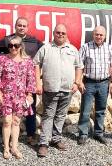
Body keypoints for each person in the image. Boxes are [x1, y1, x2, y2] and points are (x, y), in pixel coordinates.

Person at [34, 24, 83, 157]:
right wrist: (38, 82)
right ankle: (43, 143)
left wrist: (77, 82)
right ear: (54, 33)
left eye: (63, 33)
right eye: (58, 32)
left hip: (67, 89)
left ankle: (56, 139)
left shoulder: (72, 49)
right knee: (48, 115)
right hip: (50, 89)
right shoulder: (46, 48)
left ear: (66, 35)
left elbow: (79, 67)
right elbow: (36, 64)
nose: (60, 35)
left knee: (61, 116)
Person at [0, 17, 43, 146]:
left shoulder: (35, 41)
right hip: (7, 91)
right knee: (8, 120)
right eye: (19, 25)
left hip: (24, 90)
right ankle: (7, 145)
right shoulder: (6, 40)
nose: (21, 27)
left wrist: (31, 91)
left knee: (28, 113)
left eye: (24, 25)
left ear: (27, 27)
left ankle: (30, 135)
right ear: (15, 26)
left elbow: (45, 53)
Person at [0, 35, 36, 159]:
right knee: (6, 121)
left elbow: (31, 80)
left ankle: (14, 147)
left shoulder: (28, 61)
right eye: (10, 45)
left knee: (16, 122)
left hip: (21, 96)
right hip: (6, 96)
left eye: (16, 45)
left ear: (21, 47)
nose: (13, 48)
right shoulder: (2, 59)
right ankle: (6, 148)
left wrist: (29, 95)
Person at [77, 26, 112, 145]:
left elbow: (111, 66)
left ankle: (98, 133)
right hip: (89, 83)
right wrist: (79, 81)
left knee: (101, 110)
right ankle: (83, 134)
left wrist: (111, 81)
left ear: (104, 36)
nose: (99, 37)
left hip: (104, 83)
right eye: (96, 34)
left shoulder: (109, 48)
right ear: (93, 35)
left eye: (101, 35)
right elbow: (79, 65)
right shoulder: (85, 47)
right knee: (85, 110)